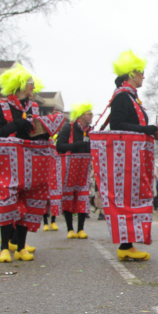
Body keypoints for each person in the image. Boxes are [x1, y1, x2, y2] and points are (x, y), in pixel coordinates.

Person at [0, 63, 58, 263]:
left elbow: (36, 134)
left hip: (31, 163)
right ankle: (4, 247)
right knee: (8, 202)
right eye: (31, 83)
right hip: (8, 164)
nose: (33, 87)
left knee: (30, 201)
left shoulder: (34, 107)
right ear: (21, 84)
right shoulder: (3, 106)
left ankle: (21, 247)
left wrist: (45, 133)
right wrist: (16, 124)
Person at [91, 50, 158, 261]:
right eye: (141, 73)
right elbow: (117, 125)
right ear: (131, 73)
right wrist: (146, 130)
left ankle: (127, 244)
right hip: (126, 158)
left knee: (133, 196)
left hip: (134, 156)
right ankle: (125, 245)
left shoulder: (131, 97)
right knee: (126, 197)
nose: (144, 77)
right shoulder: (122, 97)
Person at [56, 101, 94, 239]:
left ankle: (81, 229)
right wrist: (77, 145)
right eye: (89, 114)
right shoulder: (68, 128)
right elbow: (59, 146)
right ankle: (70, 229)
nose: (92, 116)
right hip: (69, 168)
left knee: (83, 196)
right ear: (81, 115)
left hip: (84, 169)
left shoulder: (91, 130)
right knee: (68, 197)